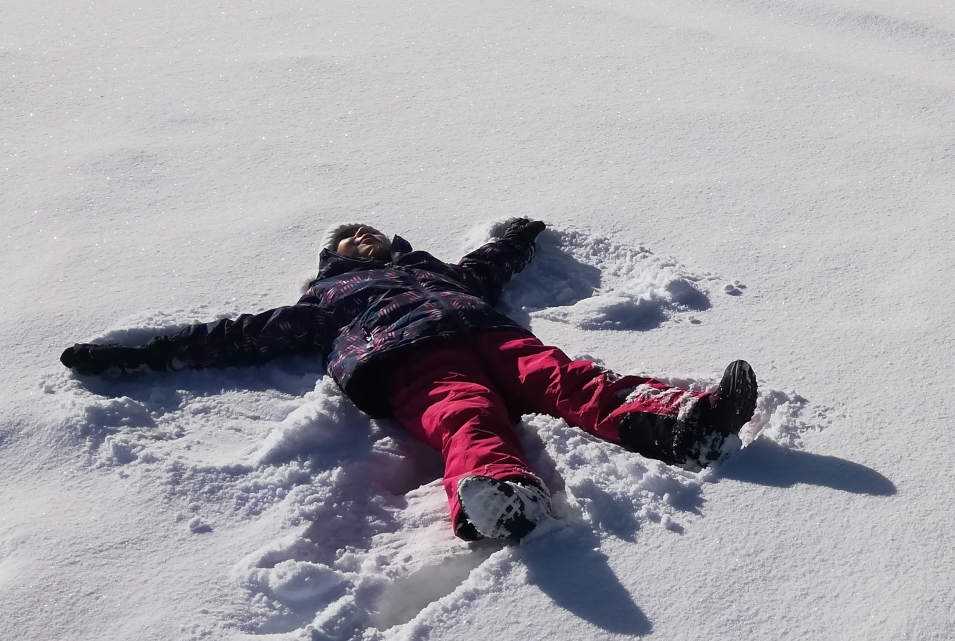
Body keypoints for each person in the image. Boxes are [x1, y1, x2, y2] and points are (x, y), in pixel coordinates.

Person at [60, 221, 757, 544]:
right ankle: (502, 498)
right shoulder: (327, 299)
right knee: (465, 418)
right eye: (349, 240)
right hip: (411, 360)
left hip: (489, 333)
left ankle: (681, 427)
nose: (363, 240)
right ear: (332, 259)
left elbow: (488, 267)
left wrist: (516, 239)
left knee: (568, 378)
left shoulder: (436, 271)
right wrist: (137, 355)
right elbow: (235, 336)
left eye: (369, 233)